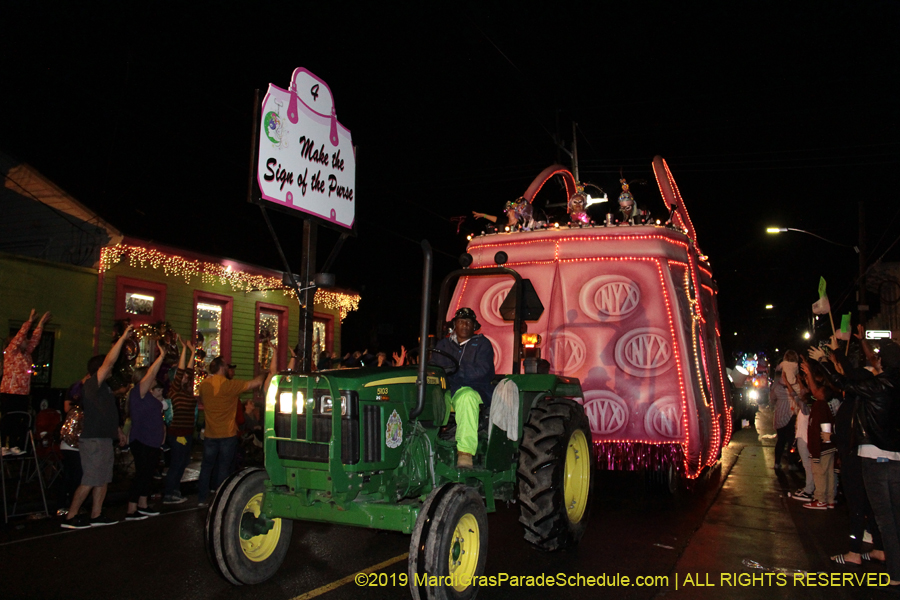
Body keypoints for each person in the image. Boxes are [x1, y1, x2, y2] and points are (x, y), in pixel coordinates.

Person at [822, 336, 900, 584]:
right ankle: (887, 557)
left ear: (882, 362)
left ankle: (893, 573)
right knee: (893, 517)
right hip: (896, 457)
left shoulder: (879, 385)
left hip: (874, 456)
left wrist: (825, 361)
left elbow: (843, 380)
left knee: (882, 516)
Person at [61, 325, 133, 529]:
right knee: (91, 478)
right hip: (93, 439)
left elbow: (109, 414)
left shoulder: (106, 390)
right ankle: (71, 517)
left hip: (104, 438)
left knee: (103, 478)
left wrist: (118, 431)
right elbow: (110, 361)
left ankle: (96, 514)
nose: (111, 369)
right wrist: (122, 339)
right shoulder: (93, 384)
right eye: (106, 367)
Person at [196, 355, 276, 506]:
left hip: (210, 433)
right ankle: (220, 500)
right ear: (221, 368)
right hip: (227, 433)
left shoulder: (204, 385)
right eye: (225, 366)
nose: (227, 368)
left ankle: (201, 498)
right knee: (224, 468)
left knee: (206, 467)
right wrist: (265, 372)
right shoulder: (228, 385)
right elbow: (256, 382)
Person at [430, 308, 495, 468]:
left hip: (474, 388)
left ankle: (465, 453)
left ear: (474, 326)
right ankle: (426, 447)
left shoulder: (482, 344)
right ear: (455, 325)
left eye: (468, 322)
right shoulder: (443, 344)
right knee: (423, 397)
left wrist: (454, 371)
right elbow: (434, 366)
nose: (464, 325)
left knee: (467, 397)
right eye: (460, 322)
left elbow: (482, 371)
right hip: (446, 389)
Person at [124, 340, 167, 521]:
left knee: (148, 474)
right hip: (142, 440)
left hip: (152, 441)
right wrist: (161, 357)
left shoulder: (150, 398)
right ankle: (131, 509)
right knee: (141, 473)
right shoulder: (137, 393)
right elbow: (151, 374)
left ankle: (142, 504)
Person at [163, 336, 197, 504]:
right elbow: (183, 371)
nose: (185, 377)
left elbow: (189, 371)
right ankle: (168, 494)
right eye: (181, 376)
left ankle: (175, 490)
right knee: (176, 464)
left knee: (182, 464)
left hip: (187, 433)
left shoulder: (186, 391)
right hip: (177, 434)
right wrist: (183, 349)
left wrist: (192, 352)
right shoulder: (174, 390)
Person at [1, 310, 50, 426]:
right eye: (24, 340)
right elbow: (19, 337)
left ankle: (17, 443)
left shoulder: (27, 354)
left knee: (20, 422)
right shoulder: (10, 352)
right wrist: (30, 321)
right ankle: (5, 443)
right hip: (10, 393)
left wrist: (41, 324)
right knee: (7, 422)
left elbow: (34, 340)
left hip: (23, 394)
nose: (27, 341)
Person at [800, 357, 837, 510]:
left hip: (820, 447)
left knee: (820, 474)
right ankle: (829, 499)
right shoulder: (826, 405)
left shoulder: (820, 406)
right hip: (828, 447)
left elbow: (816, 430)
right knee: (829, 473)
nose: (815, 391)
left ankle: (820, 499)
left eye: (818, 390)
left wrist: (814, 450)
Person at [770, 361, 797, 470]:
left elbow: (772, 399)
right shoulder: (796, 385)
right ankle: (791, 463)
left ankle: (777, 463)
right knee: (791, 440)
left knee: (781, 440)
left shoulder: (777, 386)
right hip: (792, 414)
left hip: (780, 414)